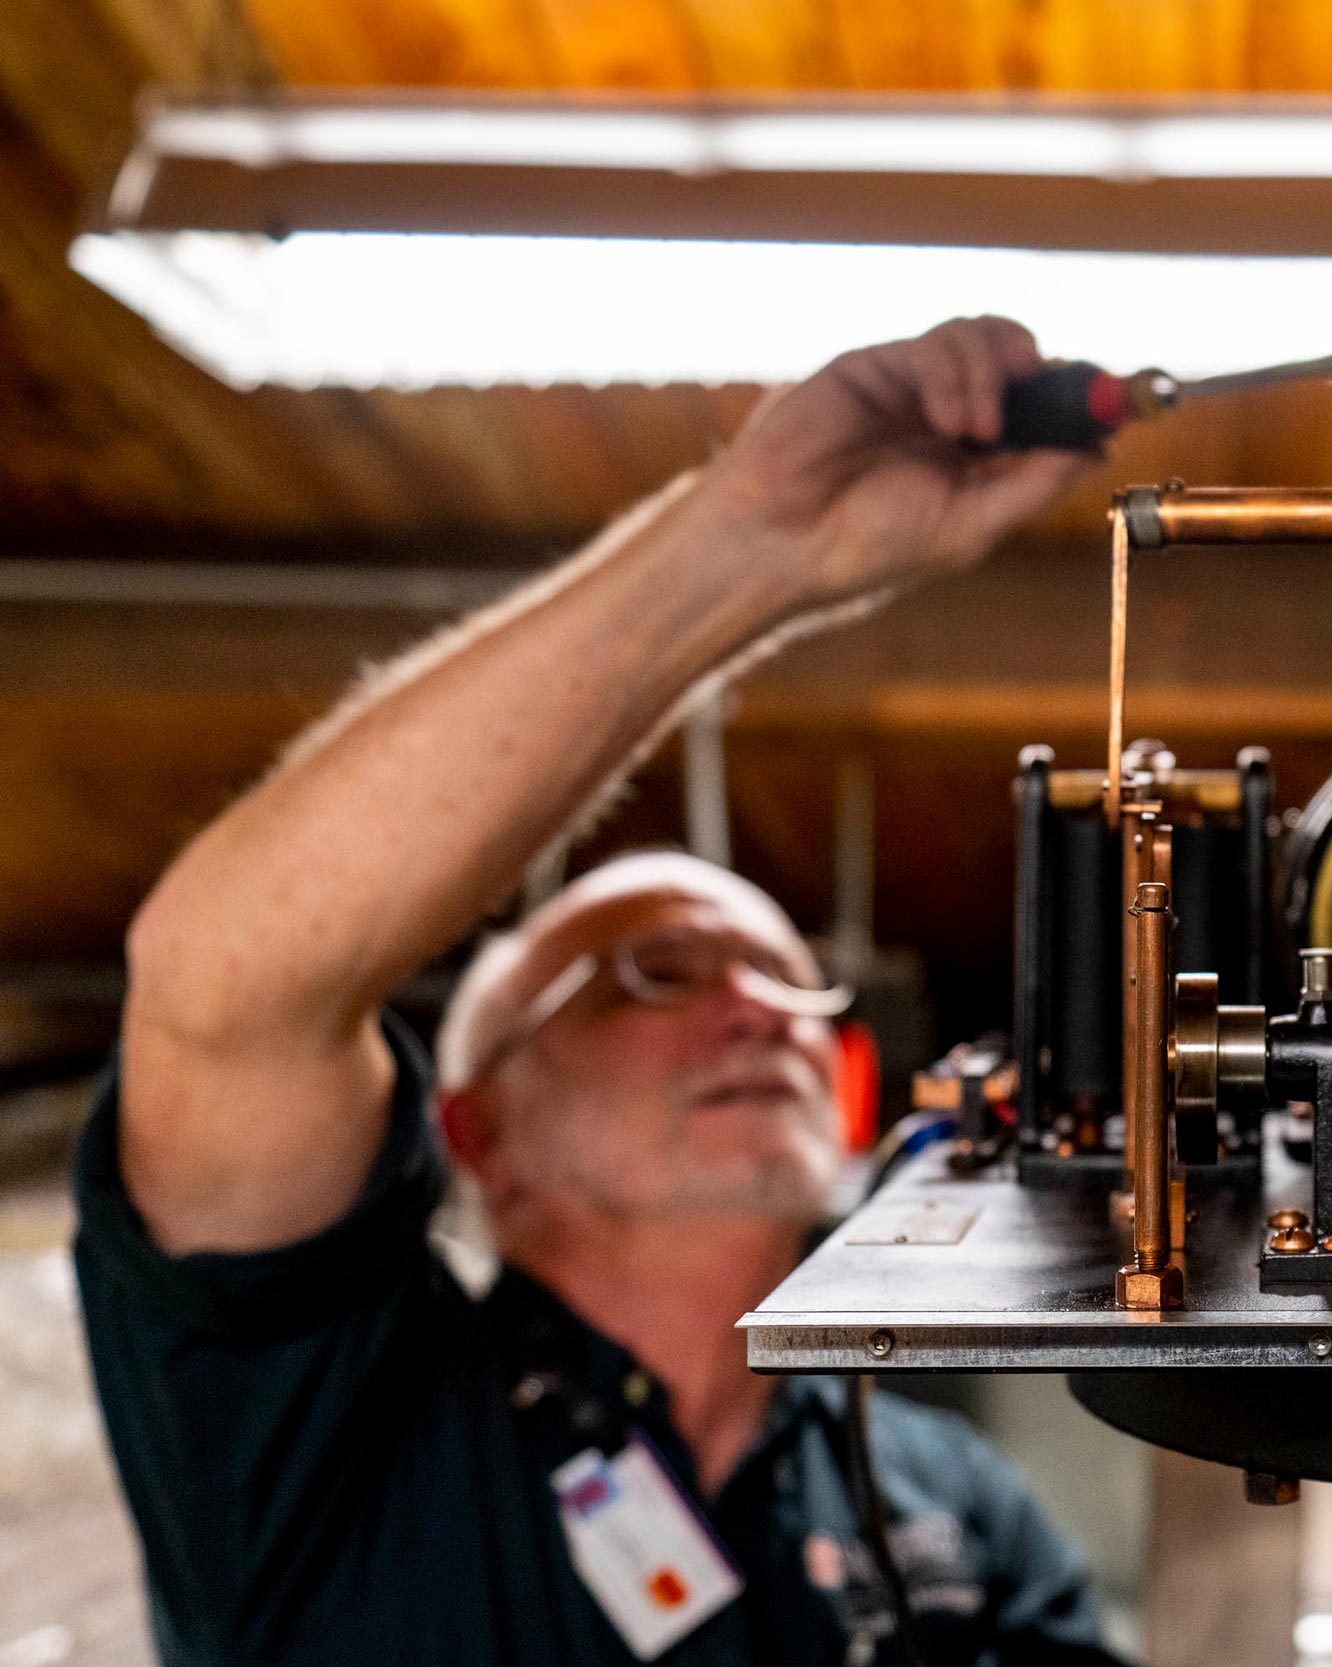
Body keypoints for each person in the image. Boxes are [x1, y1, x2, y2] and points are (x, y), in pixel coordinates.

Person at [73, 319, 1114, 1665]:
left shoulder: (953, 1509)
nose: (756, 1014)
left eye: (794, 990)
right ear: (477, 1129)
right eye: (656, 975)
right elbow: (225, 984)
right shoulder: (336, 1427)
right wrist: (753, 542)